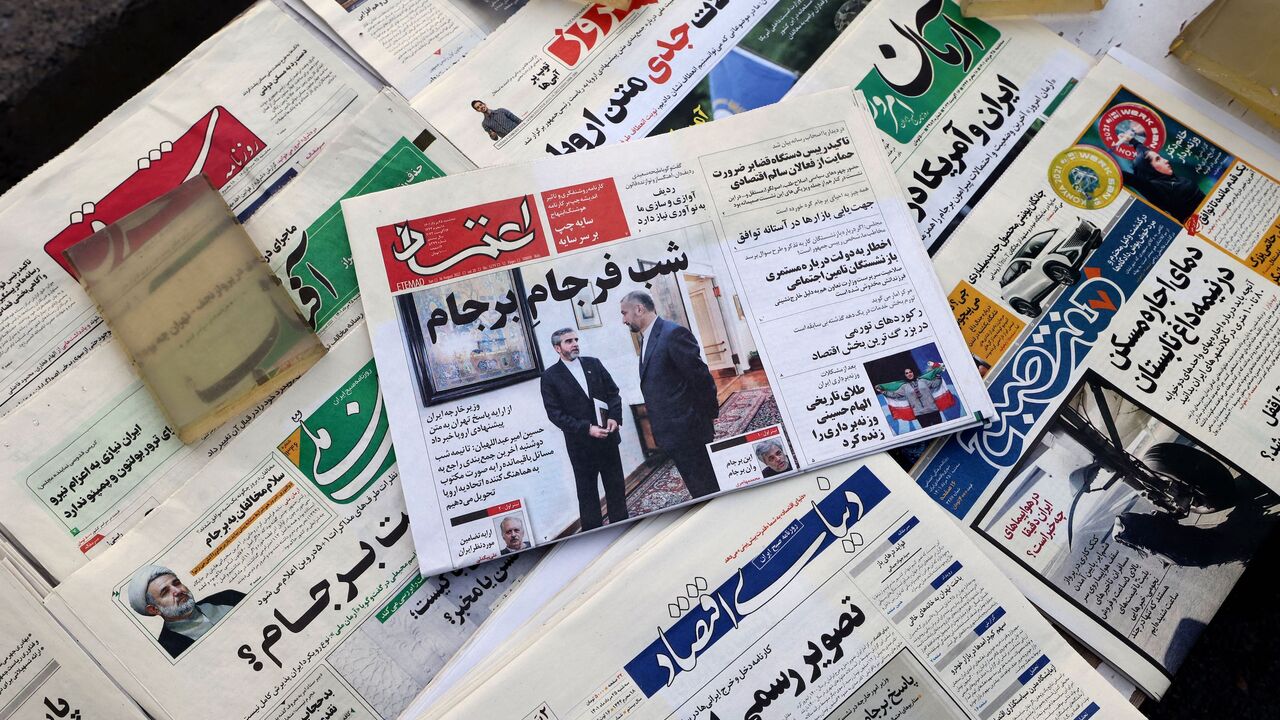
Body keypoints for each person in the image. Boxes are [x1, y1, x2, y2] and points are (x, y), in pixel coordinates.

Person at [620, 291, 721, 498]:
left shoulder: (673, 333)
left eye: (625, 313)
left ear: (639, 309)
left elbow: (701, 379)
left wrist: (706, 418)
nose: (624, 320)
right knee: (697, 486)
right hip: (673, 432)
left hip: (689, 429)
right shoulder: (646, 338)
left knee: (706, 485)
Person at [540, 328, 628, 531]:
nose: (574, 344)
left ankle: (623, 528)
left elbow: (613, 393)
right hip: (581, 447)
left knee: (616, 489)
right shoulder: (550, 377)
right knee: (588, 495)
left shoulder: (593, 364)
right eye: (568, 341)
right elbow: (555, 414)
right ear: (557, 348)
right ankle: (595, 536)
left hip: (608, 441)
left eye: (575, 339)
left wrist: (615, 417)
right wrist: (587, 429)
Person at [127, 566, 244, 658]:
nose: (178, 591)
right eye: (165, 592)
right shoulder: (169, 650)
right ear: (154, 609)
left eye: (176, 583)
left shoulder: (229, 597)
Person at [1123, 140, 1206, 222]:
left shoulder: (1172, 179)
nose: (1166, 161)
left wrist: (1133, 141)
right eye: (1158, 159)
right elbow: (1130, 179)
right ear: (1148, 168)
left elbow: (1144, 151)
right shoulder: (1155, 188)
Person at [876, 365, 947, 428]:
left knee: (940, 429)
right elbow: (895, 394)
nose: (909, 374)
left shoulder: (923, 381)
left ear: (913, 372)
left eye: (910, 372)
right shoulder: (904, 387)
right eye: (906, 373)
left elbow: (935, 384)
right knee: (929, 433)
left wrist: (937, 376)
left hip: (933, 410)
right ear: (905, 375)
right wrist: (883, 391)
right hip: (920, 414)